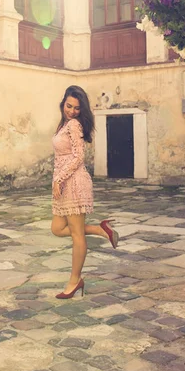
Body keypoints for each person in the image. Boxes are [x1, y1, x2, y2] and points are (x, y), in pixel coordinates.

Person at [51, 85, 119, 299]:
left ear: (82, 110)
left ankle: (74, 281)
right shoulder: (64, 123)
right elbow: (60, 158)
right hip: (63, 184)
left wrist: (59, 179)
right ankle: (101, 229)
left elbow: (78, 157)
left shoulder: (73, 125)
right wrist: (56, 181)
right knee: (57, 228)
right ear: (63, 103)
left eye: (77, 108)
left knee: (77, 235)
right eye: (68, 106)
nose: (71, 111)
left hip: (74, 183)